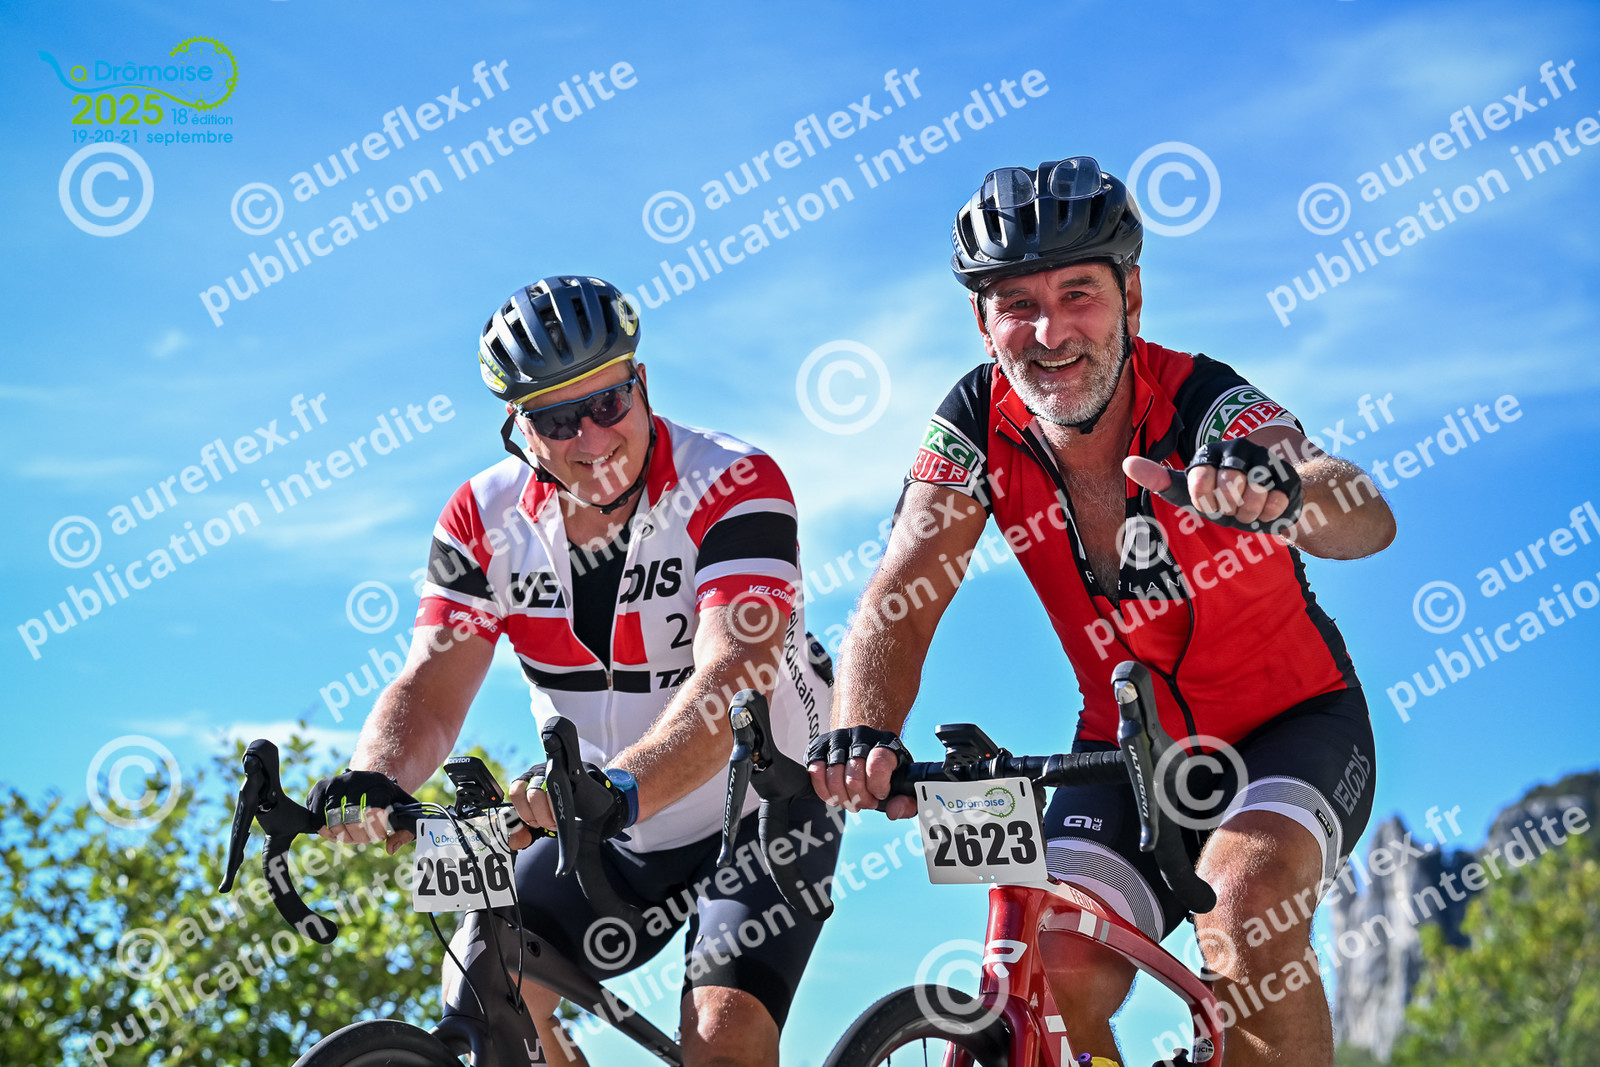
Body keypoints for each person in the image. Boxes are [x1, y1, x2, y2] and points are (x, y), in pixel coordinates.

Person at [808, 158, 1395, 1067]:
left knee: (1245, 909)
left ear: (1132, 297)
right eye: (1017, 304)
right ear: (982, 323)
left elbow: (1364, 515)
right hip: (1124, 746)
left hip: (1292, 723)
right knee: (1052, 959)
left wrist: (1283, 491)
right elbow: (901, 590)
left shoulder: (1202, 400)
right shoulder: (973, 422)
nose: (1050, 332)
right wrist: (861, 728)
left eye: (1078, 293)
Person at [306, 275, 837, 1067]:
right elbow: (430, 686)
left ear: (642, 382)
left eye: (608, 403)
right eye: (557, 420)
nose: (590, 438)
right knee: (484, 990)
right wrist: (376, 775)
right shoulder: (480, 519)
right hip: (601, 813)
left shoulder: (733, 480)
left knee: (721, 1037)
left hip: (761, 801)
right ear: (518, 428)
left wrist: (620, 786)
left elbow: (734, 673)